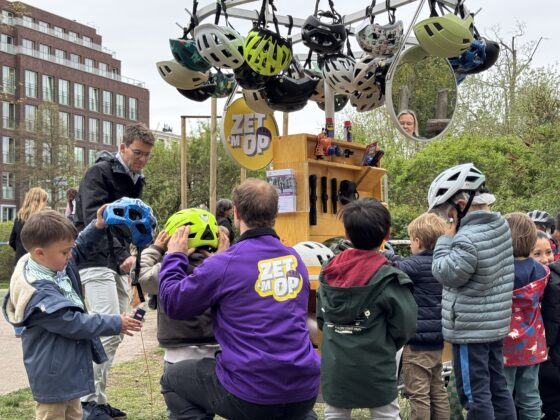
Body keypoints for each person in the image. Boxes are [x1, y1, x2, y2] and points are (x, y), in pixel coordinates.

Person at [159, 178, 320, 420]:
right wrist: (219, 263)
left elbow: (173, 302)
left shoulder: (224, 264)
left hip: (250, 394)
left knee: (172, 379)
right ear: (275, 215)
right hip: (304, 390)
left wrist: (174, 256)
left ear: (235, 213)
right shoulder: (294, 258)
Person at [2, 209, 142, 420]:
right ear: (40, 253)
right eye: (65, 252)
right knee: (53, 415)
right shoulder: (39, 294)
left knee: (75, 414)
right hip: (52, 375)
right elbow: (74, 323)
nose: (70, 256)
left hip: (68, 370)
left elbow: (80, 247)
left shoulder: (54, 264)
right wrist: (115, 322)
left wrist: (98, 226)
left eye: (69, 250)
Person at [73, 122, 155, 418]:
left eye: (147, 155)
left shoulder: (136, 179)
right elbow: (94, 219)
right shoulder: (99, 173)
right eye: (137, 153)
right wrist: (122, 253)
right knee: (105, 330)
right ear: (122, 147)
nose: (142, 159)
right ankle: (87, 402)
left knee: (117, 331)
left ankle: (98, 398)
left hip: (117, 262)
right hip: (93, 259)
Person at [429, 163, 516, 420]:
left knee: (474, 395)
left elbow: (445, 273)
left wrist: (445, 240)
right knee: (497, 387)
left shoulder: (467, 238)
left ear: (461, 204)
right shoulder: (500, 225)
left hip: (470, 330)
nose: (448, 219)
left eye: (447, 213)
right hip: (493, 325)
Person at [317, 198, 418, 420]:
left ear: (346, 234)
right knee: (386, 415)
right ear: (387, 235)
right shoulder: (389, 278)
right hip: (377, 366)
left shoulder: (328, 272)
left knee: (334, 415)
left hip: (337, 367)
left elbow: (322, 319)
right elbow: (406, 326)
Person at [135, 208, 228, 419]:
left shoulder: (168, 269)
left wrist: (157, 248)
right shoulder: (222, 270)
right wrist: (224, 257)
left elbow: (140, 276)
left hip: (177, 356)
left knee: (182, 411)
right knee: (208, 409)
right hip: (215, 352)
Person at [390, 212, 450, 420]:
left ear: (417, 242)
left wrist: (386, 256)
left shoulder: (414, 265)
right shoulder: (443, 264)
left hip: (417, 342)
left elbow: (393, 268)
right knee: (437, 390)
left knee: (418, 394)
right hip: (438, 338)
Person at [502, 212, 549, 419]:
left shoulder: (500, 271)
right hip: (533, 341)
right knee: (530, 394)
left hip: (504, 343)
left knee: (503, 394)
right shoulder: (541, 271)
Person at [539, 232, 560, 419]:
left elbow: (552, 319)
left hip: (548, 353)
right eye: (537, 254)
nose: (546, 259)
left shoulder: (551, 280)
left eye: (548, 252)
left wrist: (546, 346)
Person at [9, 187, 49, 264]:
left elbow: (12, 241)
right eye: (46, 201)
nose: (46, 203)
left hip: (21, 261)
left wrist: (21, 250)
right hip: (40, 263)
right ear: (42, 201)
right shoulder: (45, 219)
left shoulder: (19, 218)